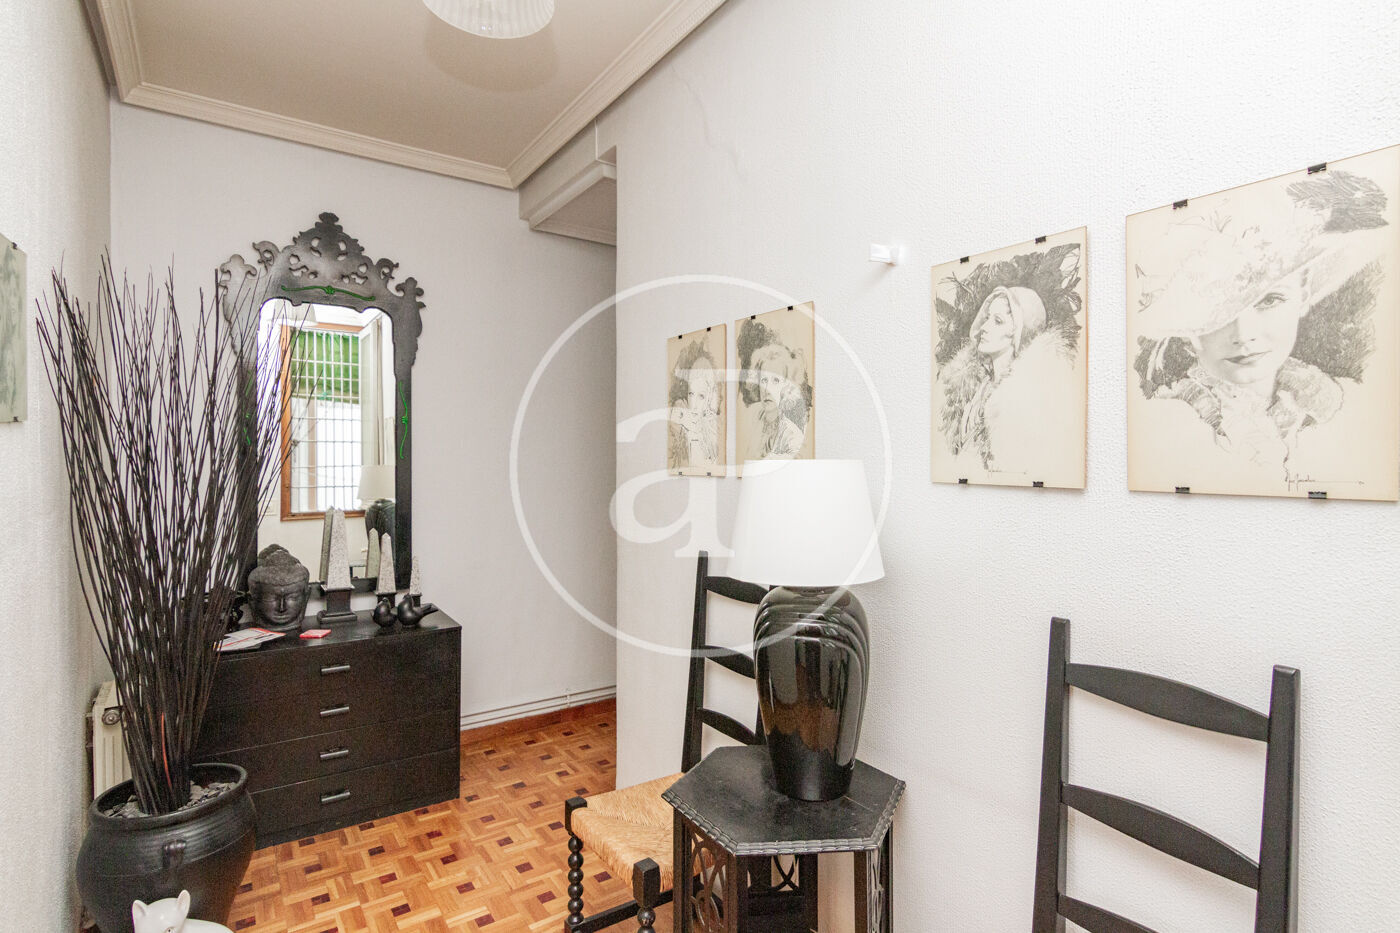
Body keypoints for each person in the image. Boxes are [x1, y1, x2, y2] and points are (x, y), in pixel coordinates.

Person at [1133, 178, 1390, 489]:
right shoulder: (1171, 422)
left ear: (1303, 293)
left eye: (1270, 300)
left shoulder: (1344, 412)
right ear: (1185, 327)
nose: (1244, 334)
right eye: (1218, 315)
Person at [937, 285, 1078, 475]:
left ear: (1018, 332)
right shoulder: (978, 388)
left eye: (997, 321)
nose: (984, 327)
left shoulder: (1023, 400)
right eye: (987, 318)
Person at [745, 342, 808, 459]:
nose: (767, 390)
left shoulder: (793, 431)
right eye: (764, 380)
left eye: (775, 381)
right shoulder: (751, 415)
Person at [667, 344, 722, 468]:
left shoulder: (713, 430)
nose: (694, 404)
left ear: (709, 398)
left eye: (701, 396)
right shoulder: (682, 421)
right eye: (691, 394)